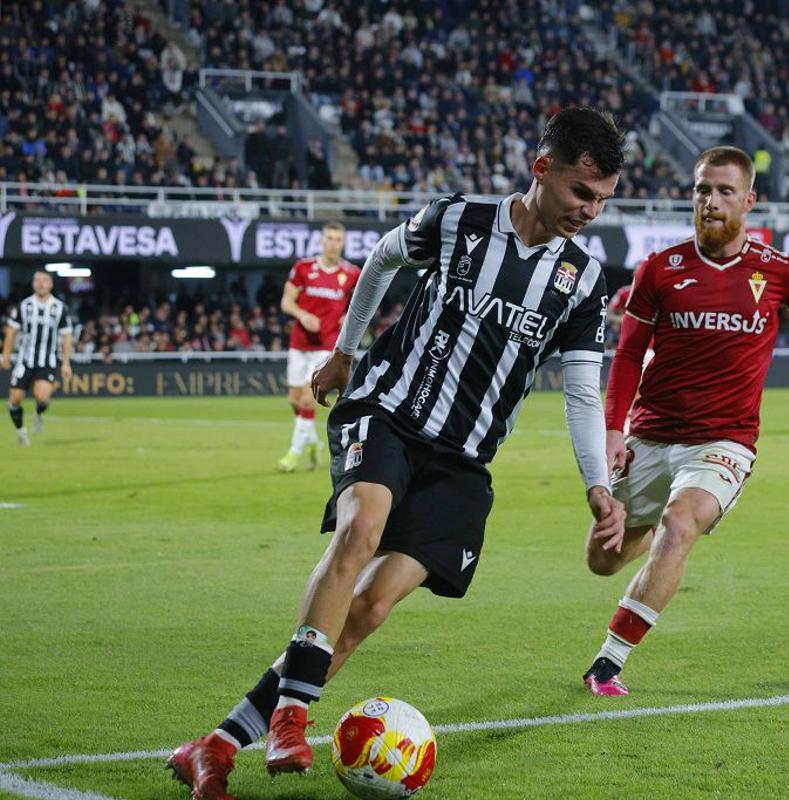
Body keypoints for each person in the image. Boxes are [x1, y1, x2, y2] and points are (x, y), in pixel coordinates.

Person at [167, 107, 628, 800]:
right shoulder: (459, 219)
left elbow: (584, 393)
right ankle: (291, 714)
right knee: (362, 529)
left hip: (464, 460)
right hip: (387, 411)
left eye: (601, 200)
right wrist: (347, 350)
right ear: (543, 169)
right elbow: (383, 257)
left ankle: (216, 745)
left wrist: (597, 486)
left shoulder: (582, 280)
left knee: (371, 607)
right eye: (581, 193)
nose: (590, 211)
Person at [580, 146, 789, 697]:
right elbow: (629, 354)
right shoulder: (659, 269)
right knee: (601, 560)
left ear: (749, 201)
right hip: (650, 434)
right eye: (703, 189)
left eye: (725, 191)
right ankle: (650, 525)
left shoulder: (782, 274)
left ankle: (608, 662)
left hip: (725, 441)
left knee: (681, 530)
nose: (712, 200)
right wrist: (612, 429)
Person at [277, 222, 359, 473]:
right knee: (293, 400)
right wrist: (302, 315)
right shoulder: (303, 268)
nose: (333, 243)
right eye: (329, 238)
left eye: (338, 239)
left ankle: (294, 454)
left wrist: (349, 318)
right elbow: (286, 302)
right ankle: (312, 442)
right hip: (299, 343)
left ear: (342, 243)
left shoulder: (352, 274)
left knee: (306, 399)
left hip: (327, 345)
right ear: (321, 241)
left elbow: (361, 305)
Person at [2, 271, 73, 446]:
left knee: (42, 397)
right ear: (33, 283)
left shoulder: (59, 308)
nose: (40, 283)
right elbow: (11, 332)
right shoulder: (23, 306)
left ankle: (38, 414)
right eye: (37, 280)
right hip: (25, 361)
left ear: (51, 284)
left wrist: (66, 363)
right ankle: (21, 432)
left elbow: (67, 337)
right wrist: (6, 355)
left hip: (46, 361)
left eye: (44, 280)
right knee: (15, 399)